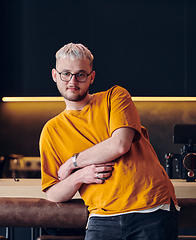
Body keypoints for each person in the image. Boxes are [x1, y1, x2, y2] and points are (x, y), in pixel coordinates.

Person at [39, 43, 178, 240]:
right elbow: (52, 193)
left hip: (151, 209)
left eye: (81, 74)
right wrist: (79, 177)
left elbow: (120, 144)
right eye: (66, 73)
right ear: (55, 75)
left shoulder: (115, 96)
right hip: (101, 217)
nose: (73, 80)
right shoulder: (51, 130)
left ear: (91, 77)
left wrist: (73, 162)